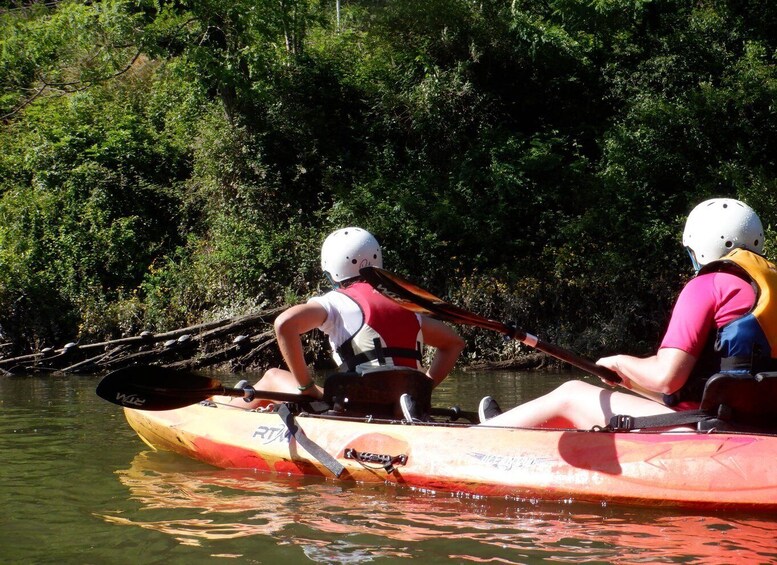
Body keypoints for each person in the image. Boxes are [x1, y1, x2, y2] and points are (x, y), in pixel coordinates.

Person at [479, 198, 775, 429]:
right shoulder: (765, 290)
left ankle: (486, 435)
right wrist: (629, 379)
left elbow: (666, 378)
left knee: (570, 394)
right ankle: (509, 425)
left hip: (705, 431)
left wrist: (619, 361)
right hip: (755, 426)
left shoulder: (708, 285)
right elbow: (697, 388)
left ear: (700, 247)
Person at [227, 227, 465, 416]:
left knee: (273, 376)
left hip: (354, 408)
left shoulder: (336, 302)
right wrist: (422, 389)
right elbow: (454, 343)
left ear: (332, 270)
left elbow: (284, 324)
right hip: (401, 406)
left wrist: (307, 388)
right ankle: (239, 403)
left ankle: (221, 413)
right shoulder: (407, 307)